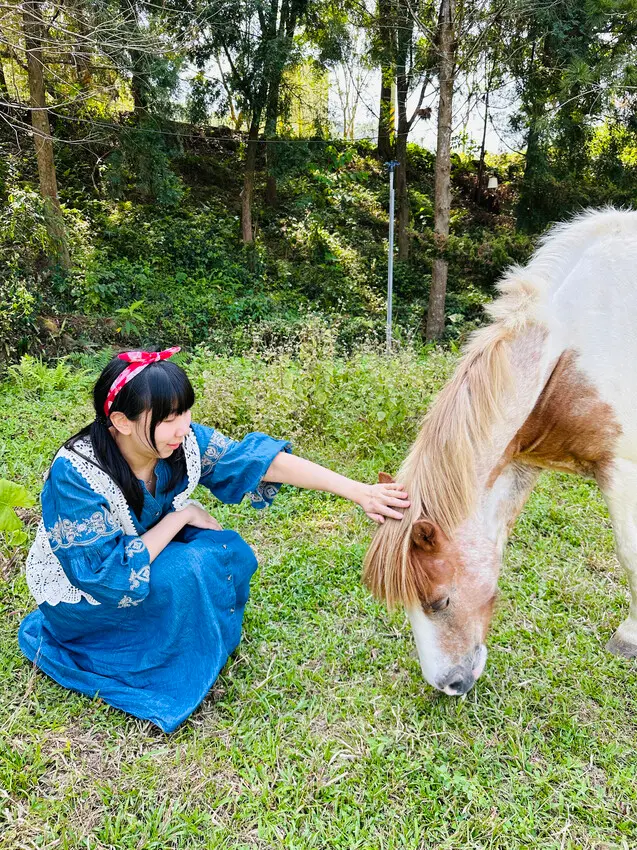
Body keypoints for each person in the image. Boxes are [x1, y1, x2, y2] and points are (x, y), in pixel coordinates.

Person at [19, 348, 410, 733]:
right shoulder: (76, 474)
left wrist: (359, 491)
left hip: (138, 549)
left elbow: (257, 461)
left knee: (224, 549)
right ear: (121, 421)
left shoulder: (176, 444)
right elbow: (110, 578)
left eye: (185, 411)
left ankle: (188, 639)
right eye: (169, 418)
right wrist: (182, 515)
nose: (183, 426)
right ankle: (148, 657)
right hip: (89, 596)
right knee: (188, 569)